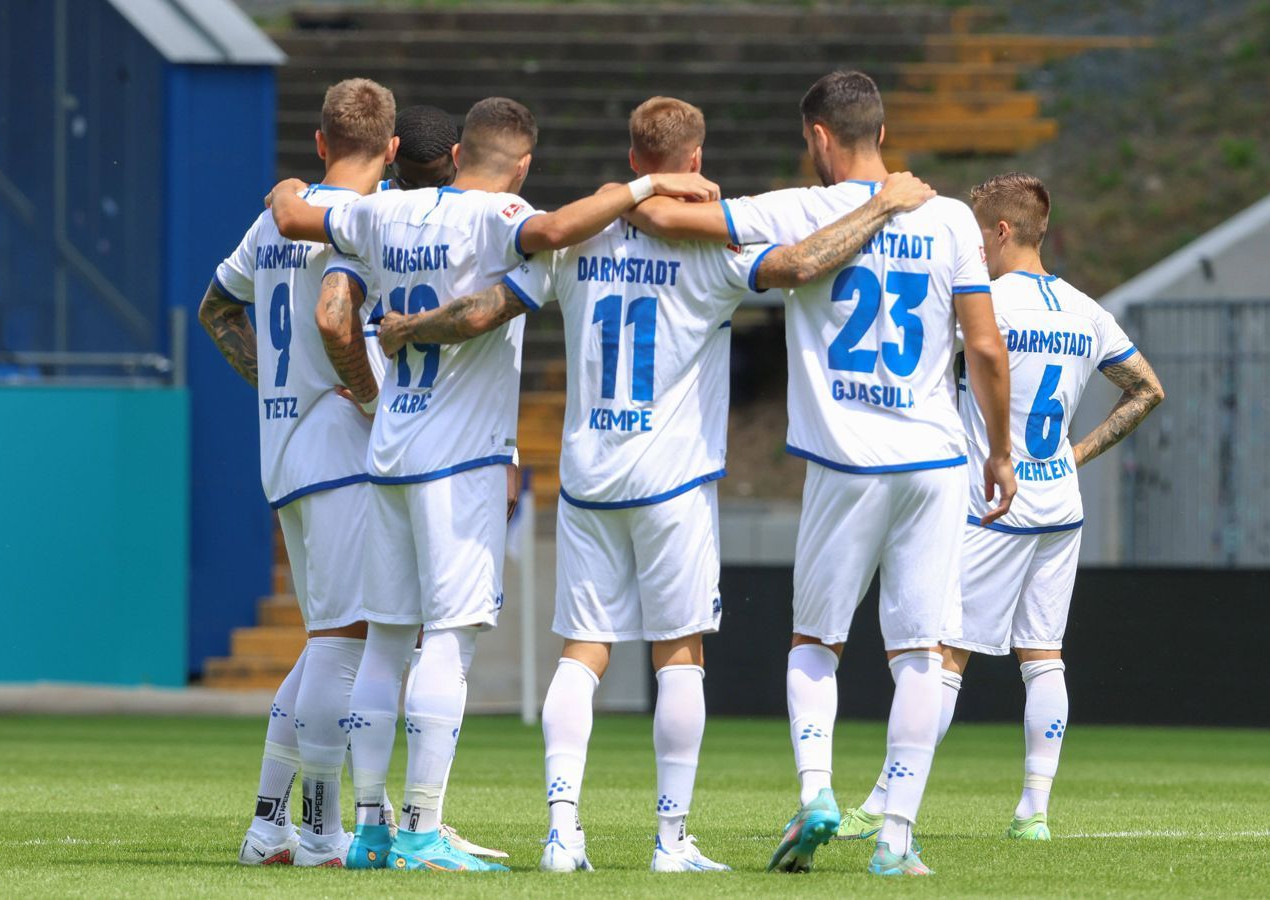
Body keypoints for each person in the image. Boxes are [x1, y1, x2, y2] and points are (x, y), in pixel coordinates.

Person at [376, 96, 939, 875]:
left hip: (589, 476)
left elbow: (484, 310)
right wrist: (884, 204)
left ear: (634, 159)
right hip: (674, 480)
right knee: (679, 655)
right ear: (697, 160)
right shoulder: (714, 255)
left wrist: (409, 328)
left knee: (582, 653)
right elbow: (805, 264)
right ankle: (671, 842)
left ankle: (562, 834)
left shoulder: (580, 238)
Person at [266, 95, 719, 872]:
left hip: (389, 449)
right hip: (461, 459)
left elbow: (298, 221)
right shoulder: (500, 214)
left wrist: (285, 189)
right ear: (523, 164)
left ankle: (370, 828)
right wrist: (642, 189)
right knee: (448, 640)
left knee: (383, 642)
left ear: (457, 150)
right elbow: (546, 234)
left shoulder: (388, 214)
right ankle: (421, 829)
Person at [625, 70, 1016, 877]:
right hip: (936, 460)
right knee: (920, 654)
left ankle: (817, 794)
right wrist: (1001, 449)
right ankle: (898, 837)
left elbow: (659, 215)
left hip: (845, 462)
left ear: (819, 138)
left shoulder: (793, 209)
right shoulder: (947, 218)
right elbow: (983, 347)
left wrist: (663, 177)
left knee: (816, 644)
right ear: (884, 128)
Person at [844, 172, 1163, 844]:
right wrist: (1074, 455)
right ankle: (1034, 812)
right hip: (1059, 506)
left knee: (943, 655)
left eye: (974, 235)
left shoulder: (984, 303)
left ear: (1000, 231)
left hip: (992, 504)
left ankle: (884, 803)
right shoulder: (1085, 311)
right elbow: (1146, 390)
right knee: (1043, 657)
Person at [200, 78, 397, 868]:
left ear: (320, 142)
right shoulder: (363, 222)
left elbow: (218, 308)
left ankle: (267, 827)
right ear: (387, 150)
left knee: (324, 644)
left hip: (283, 452)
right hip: (341, 453)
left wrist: (275, 387)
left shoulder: (273, 217)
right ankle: (321, 832)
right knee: (344, 647)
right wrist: (369, 398)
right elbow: (338, 321)